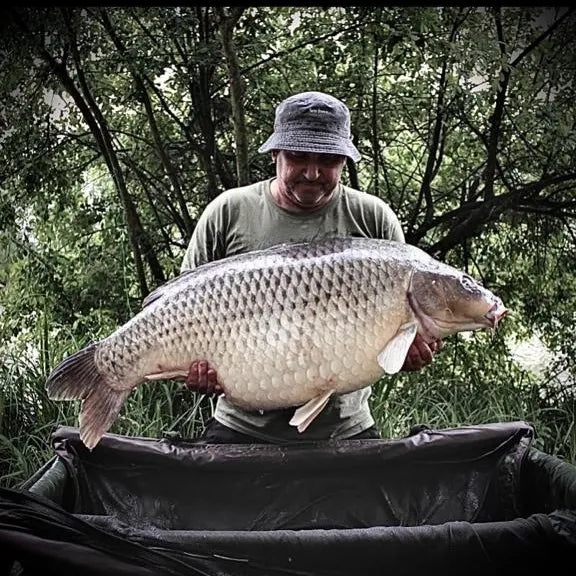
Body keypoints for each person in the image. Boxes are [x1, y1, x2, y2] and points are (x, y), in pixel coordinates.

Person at [180, 91, 442, 443]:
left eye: (328, 159)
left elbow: (398, 340)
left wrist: (409, 352)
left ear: (345, 161)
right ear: (275, 153)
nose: (313, 172)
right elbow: (180, 311)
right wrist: (195, 370)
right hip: (240, 425)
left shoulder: (373, 219)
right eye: (299, 156)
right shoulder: (228, 213)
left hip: (344, 427)